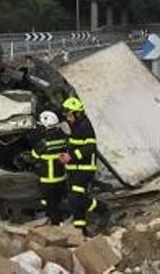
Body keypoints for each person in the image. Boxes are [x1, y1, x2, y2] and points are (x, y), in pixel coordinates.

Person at [61, 96, 108, 232]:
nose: (67, 118)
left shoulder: (85, 126)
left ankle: (102, 209)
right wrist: (65, 155)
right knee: (74, 201)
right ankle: (80, 230)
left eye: (69, 115)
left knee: (77, 198)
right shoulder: (74, 127)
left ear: (77, 113)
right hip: (74, 169)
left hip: (84, 169)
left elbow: (90, 148)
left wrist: (71, 156)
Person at [30, 110, 68, 224]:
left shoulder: (45, 142)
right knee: (58, 201)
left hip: (48, 179)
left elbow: (34, 155)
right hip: (61, 177)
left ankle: (57, 225)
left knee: (50, 204)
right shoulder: (63, 137)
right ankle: (58, 220)